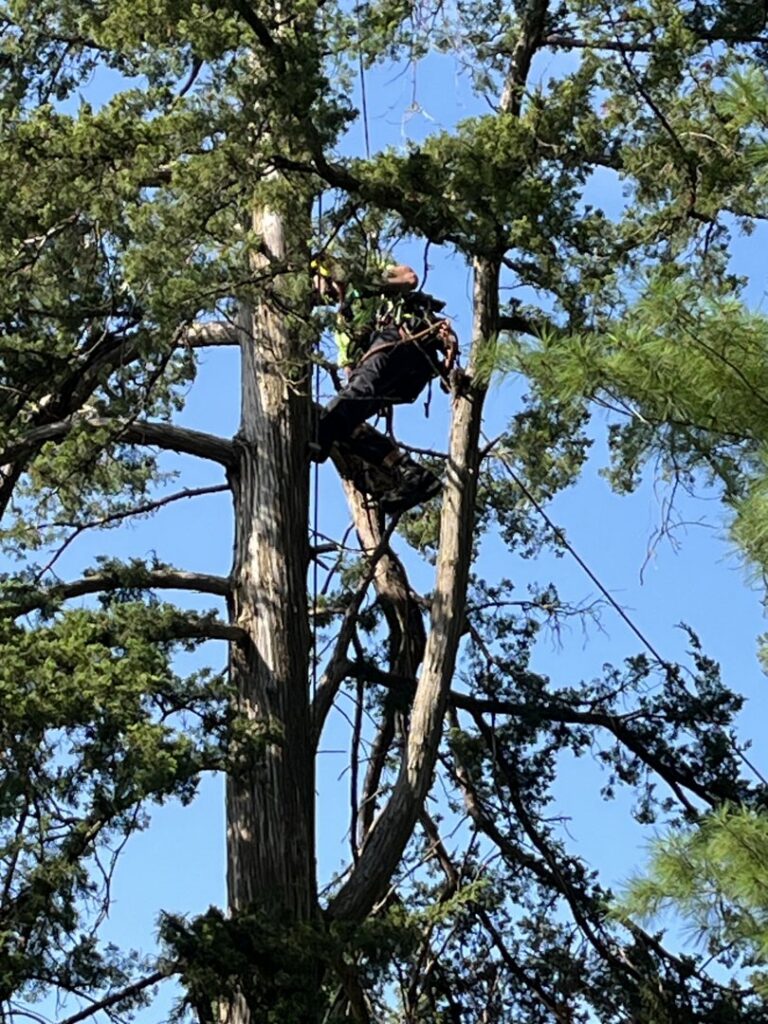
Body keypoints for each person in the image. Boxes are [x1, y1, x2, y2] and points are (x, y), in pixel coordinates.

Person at [312, 259, 458, 513]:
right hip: (398, 376)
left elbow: (409, 278)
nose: (316, 295)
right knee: (346, 426)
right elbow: (352, 374)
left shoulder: (364, 275)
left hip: (402, 338)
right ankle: (411, 474)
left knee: (331, 421)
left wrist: (364, 282)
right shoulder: (342, 325)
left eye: (313, 284)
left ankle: (314, 440)